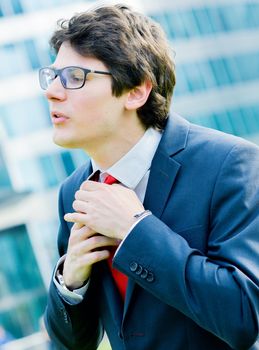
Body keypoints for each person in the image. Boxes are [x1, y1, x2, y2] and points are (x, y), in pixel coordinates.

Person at [39, 4, 259, 350]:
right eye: (52, 76)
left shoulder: (230, 164)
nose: (52, 91)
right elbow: (71, 344)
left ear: (136, 91)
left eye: (74, 77)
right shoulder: (73, 192)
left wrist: (135, 230)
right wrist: (70, 283)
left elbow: (245, 317)